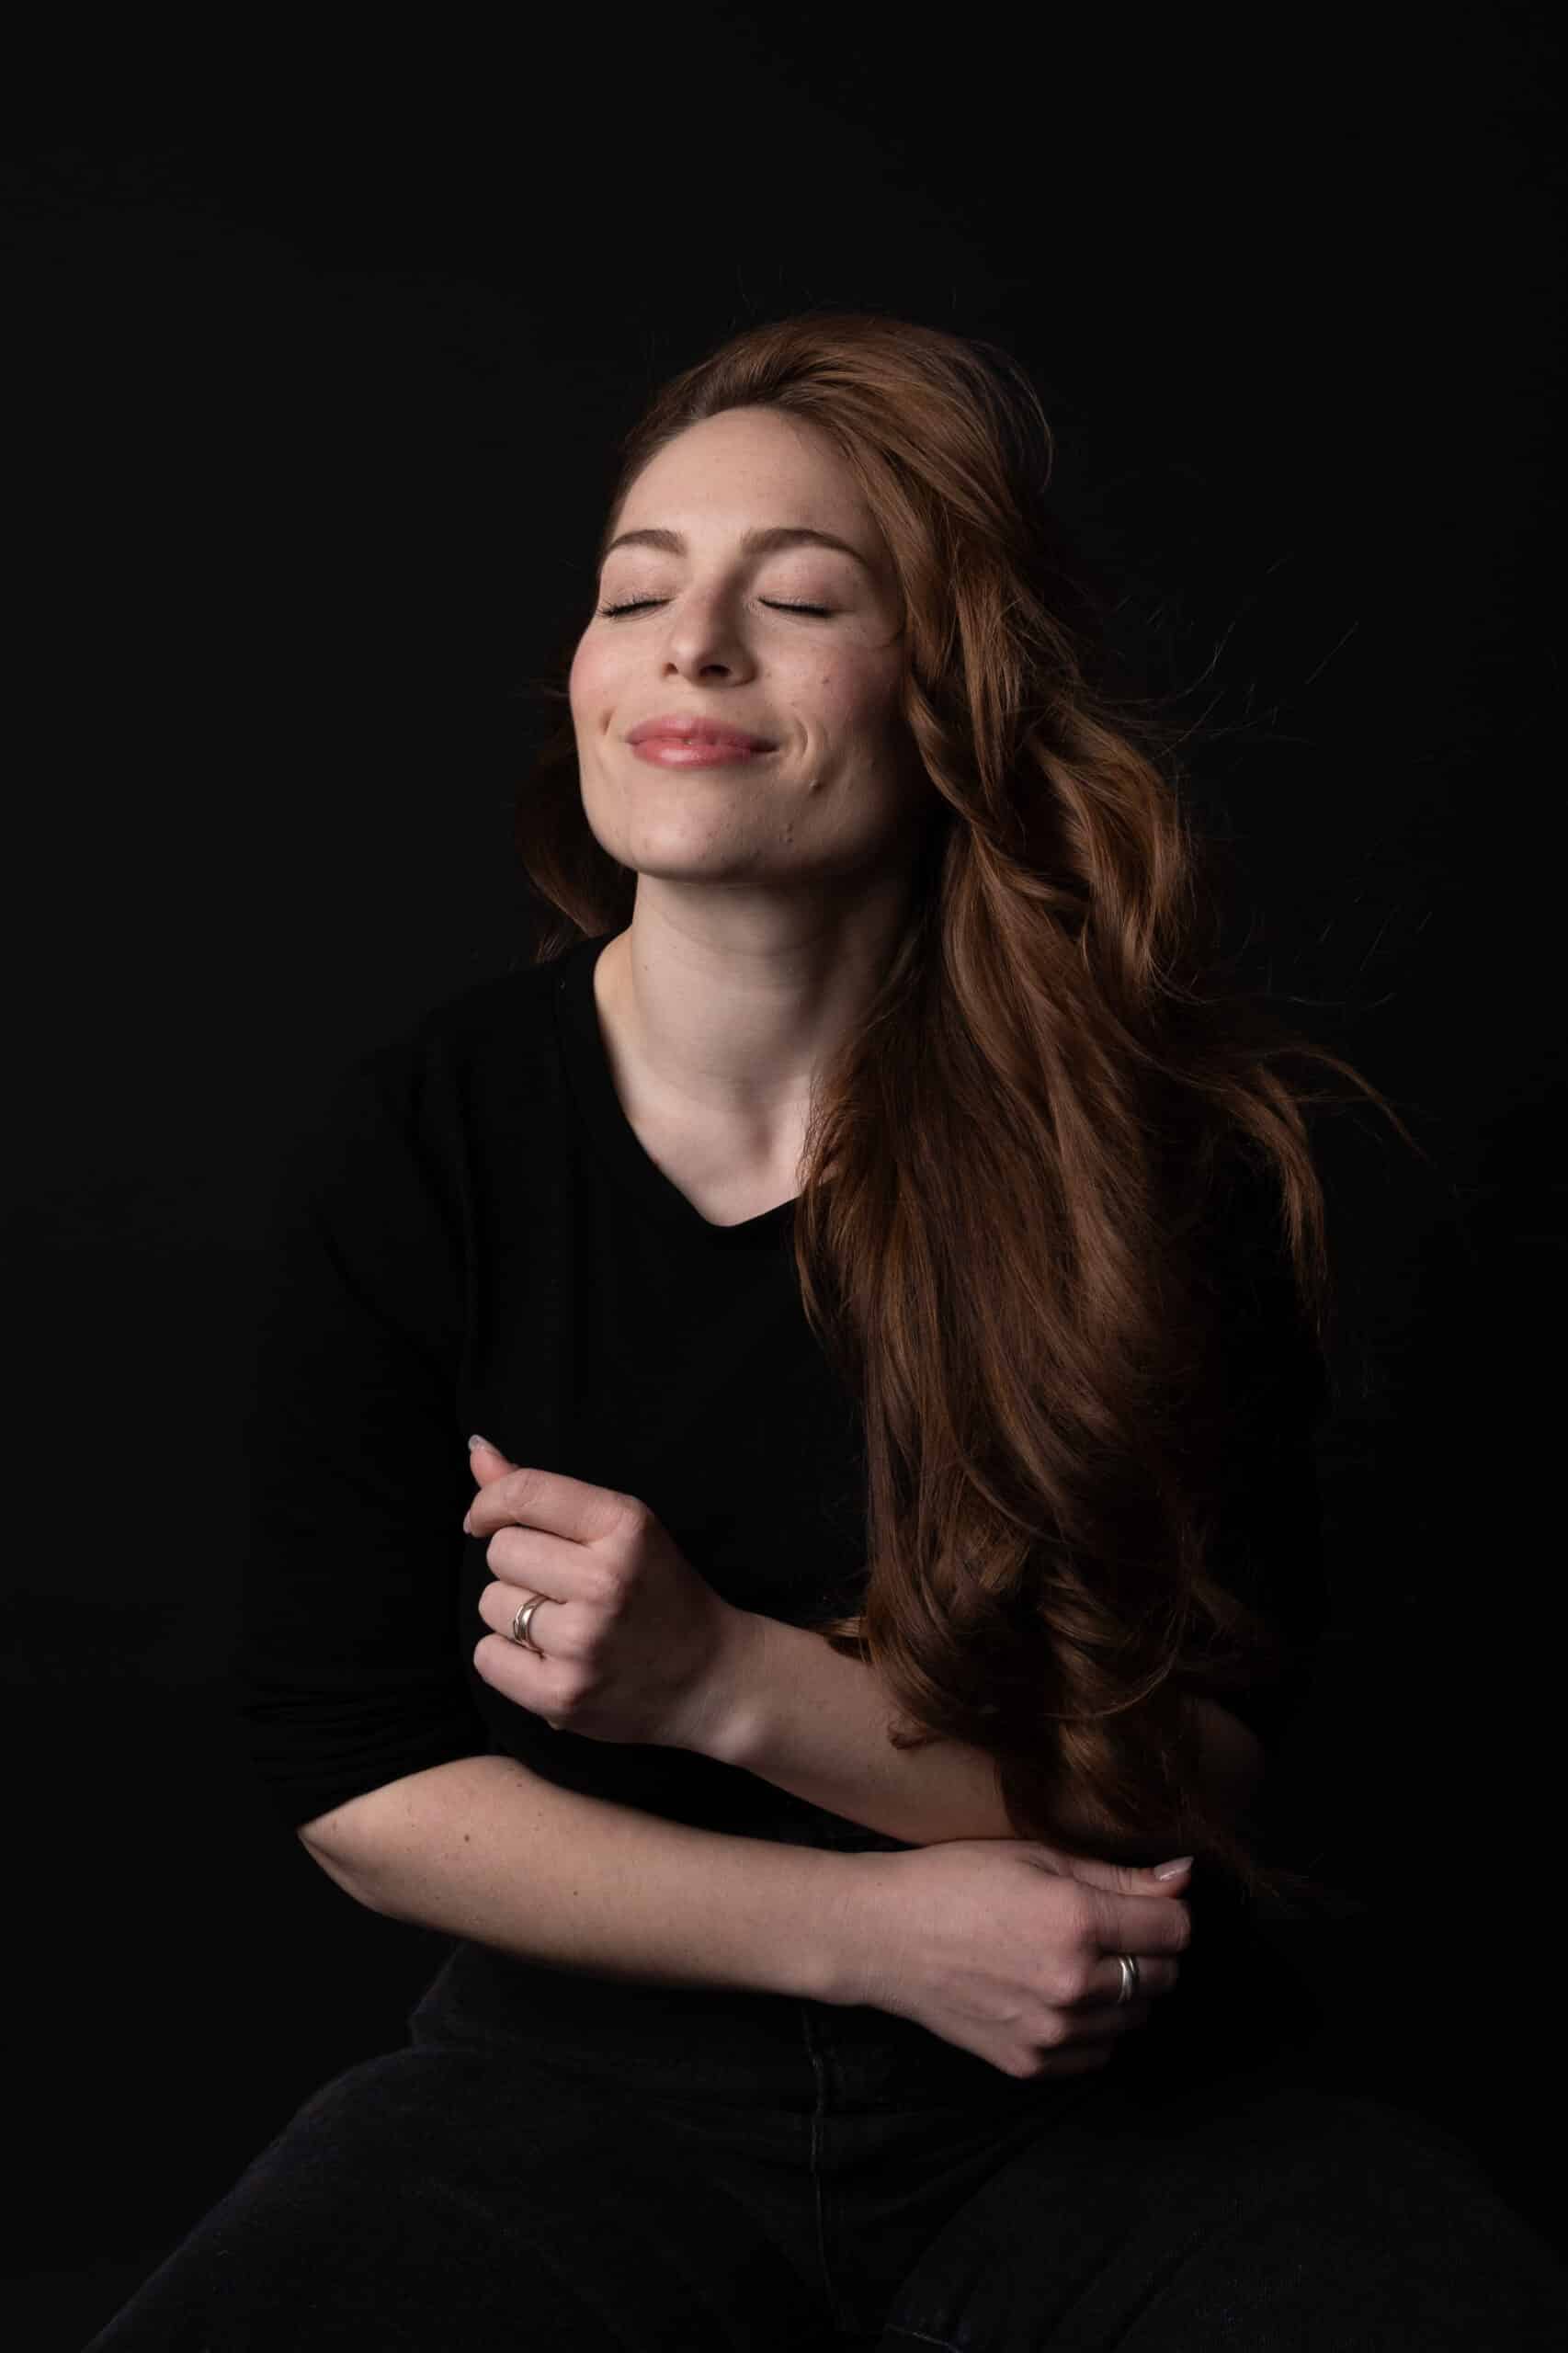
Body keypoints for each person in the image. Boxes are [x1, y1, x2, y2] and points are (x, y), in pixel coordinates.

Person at [87, 313, 1568, 2347]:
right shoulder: (427, 1131)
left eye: (797, 598)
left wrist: (719, 1680)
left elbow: (1192, 1766)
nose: (693, 646)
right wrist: (869, 1926)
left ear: (951, 692)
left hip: (1110, 2101)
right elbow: (359, 1773)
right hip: (570, 2089)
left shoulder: (1158, 1156)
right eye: (637, 591)